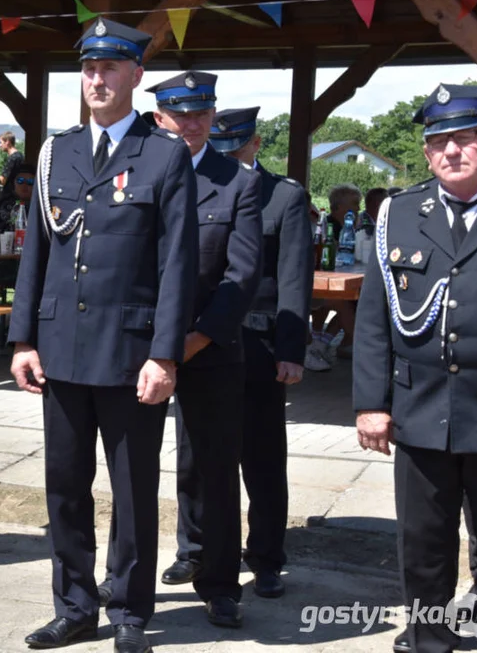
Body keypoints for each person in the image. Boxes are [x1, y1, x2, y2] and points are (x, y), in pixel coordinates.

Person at [9, 17, 198, 653]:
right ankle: (74, 605)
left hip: (129, 354)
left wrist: (165, 354)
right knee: (64, 484)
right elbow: (35, 253)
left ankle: (130, 608)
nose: (97, 79)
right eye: (89, 68)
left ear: (135, 77)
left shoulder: (165, 154)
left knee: (133, 488)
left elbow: (178, 266)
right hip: (60, 348)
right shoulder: (55, 153)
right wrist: (22, 340)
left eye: (110, 68)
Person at [354, 82, 477, 653]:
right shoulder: (399, 214)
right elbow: (372, 322)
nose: (452, 151)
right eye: (439, 141)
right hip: (420, 412)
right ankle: (428, 640)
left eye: (466, 138)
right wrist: (371, 404)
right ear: (426, 153)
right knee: (422, 545)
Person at [148, 72, 262, 629]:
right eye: (178, 112)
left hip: (210, 347)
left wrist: (190, 343)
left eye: (201, 111)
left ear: (213, 116)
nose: (190, 122)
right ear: (158, 118)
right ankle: (129, 576)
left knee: (214, 469)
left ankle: (219, 584)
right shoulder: (135, 172)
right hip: (143, 347)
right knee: (133, 469)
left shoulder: (237, 182)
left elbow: (241, 276)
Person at [210, 106, 313, 598]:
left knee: (263, 459)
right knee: (199, 456)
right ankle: (197, 548)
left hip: (259, 342)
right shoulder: (194, 187)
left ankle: (267, 557)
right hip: (205, 341)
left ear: (254, 144)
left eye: (235, 147)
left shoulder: (283, 197)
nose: (227, 156)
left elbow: (295, 278)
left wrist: (291, 349)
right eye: (219, 148)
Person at [310, 183, 361, 361]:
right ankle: (362, 347)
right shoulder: (326, 227)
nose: (358, 208)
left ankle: (321, 344)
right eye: (354, 203)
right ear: (337, 207)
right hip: (314, 286)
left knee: (351, 300)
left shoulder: (351, 228)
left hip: (332, 283)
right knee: (344, 301)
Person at [0, 131, 24, 196]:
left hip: (10, 195)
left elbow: (2, 180)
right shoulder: (21, 156)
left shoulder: (12, 158)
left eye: (1, 142)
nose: (0, 145)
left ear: (7, 142)